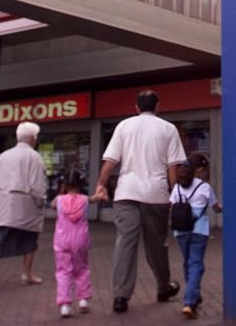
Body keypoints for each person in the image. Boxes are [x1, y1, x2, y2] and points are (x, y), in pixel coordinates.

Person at [94, 89, 187, 314]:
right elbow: (172, 166)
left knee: (125, 242)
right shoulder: (168, 128)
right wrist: (175, 192)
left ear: (136, 108)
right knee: (156, 245)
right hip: (156, 195)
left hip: (126, 193)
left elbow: (110, 160)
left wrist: (100, 184)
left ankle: (120, 296)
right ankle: (164, 287)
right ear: (158, 106)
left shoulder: (124, 126)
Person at [0, 121, 48, 285]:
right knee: (30, 239)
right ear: (32, 138)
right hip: (25, 205)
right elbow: (37, 186)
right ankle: (27, 274)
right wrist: (41, 201)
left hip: (2, 204)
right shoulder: (34, 157)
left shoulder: (4, 155)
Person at [170, 152, 222, 319]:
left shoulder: (177, 186)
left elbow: (171, 204)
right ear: (200, 169)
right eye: (205, 169)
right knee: (196, 264)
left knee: (189, 263)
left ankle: (194, 294)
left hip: (180, 231)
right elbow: (216, 207)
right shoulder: (205, 187)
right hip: (199, 230)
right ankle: (190, 301)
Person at [52, 168, 105, 319]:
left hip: (62, 242)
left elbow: (52, 205)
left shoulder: (59, 200)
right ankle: (83, 300)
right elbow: (94, 199)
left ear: (64, 185)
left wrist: (61, 192)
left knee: (63, 272)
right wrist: (100, 195)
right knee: (82, 270)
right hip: (80, 241)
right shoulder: (84, 200)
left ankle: (65, 306)